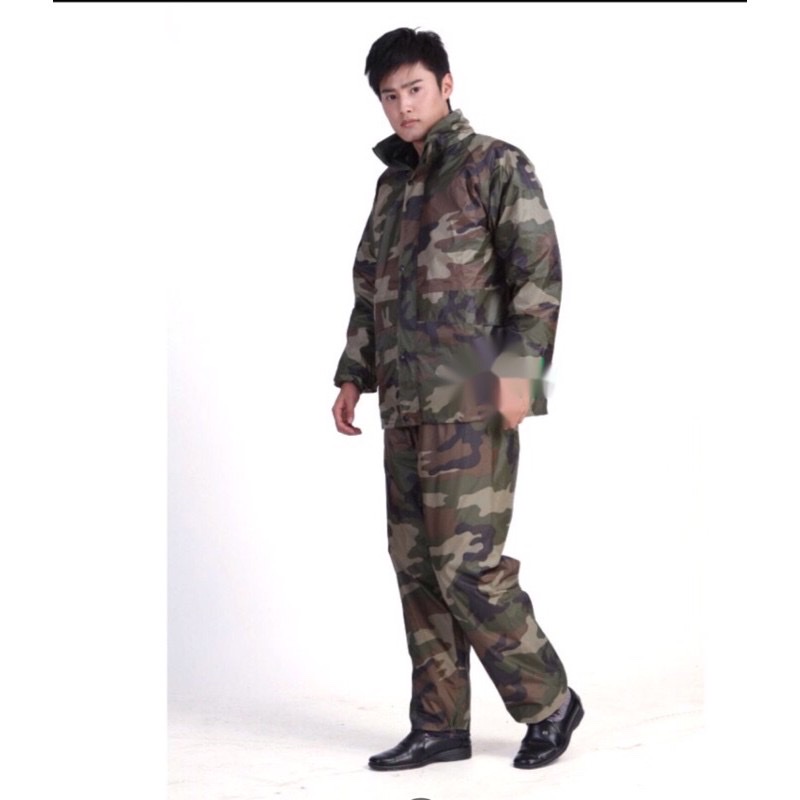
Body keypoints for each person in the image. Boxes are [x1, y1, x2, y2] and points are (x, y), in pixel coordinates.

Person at [332, 27, 583, 772]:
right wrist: (353, 374)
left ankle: (550, 702)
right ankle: (440, 724)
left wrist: (521, 377)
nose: (403, 107)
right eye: (389, 96)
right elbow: (370, 290)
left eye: (414, 89)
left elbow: (537, 276)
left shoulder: (495, 165)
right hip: (404, 404)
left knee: (466, 565)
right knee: (415, 565)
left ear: (445, 84)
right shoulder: (391, 187)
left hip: (472, 394)